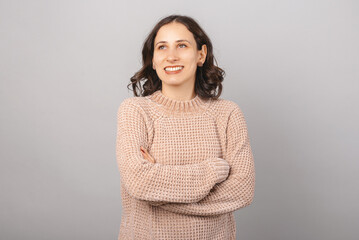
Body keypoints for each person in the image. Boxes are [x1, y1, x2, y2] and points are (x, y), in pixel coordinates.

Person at [116, 14, 255, 240]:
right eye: (162, 47)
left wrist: (158, 194)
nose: (171, 56)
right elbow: (139, 182)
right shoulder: (135, 111)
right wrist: (213, 171)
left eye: (182, 45)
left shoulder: (228, 114)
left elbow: (242, 191)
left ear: (201, 54)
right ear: (153, 59)